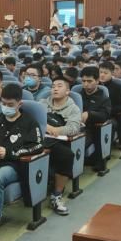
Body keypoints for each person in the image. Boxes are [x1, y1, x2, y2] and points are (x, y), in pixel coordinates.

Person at [0, 84, 44, 241]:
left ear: (20, 104)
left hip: (15, 165)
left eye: (10, 104)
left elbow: (37, 146)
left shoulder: (29, 122)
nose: (6, 107)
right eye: (3, 103)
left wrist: (9, 153)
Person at [41, 77, 82, 216]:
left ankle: (57, 195)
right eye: (53, 86)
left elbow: (74, 128)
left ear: (67, 91)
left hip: (58, 141)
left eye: (59, 86)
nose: (55, 89)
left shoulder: (73, 108)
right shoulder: (41, 104)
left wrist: (55, 130)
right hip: (40, 137)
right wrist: (47, 127)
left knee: (66, 155)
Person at [79, 66, 111, 176]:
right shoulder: (78, 95)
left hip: (91, 129)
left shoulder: (103, 97)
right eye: (83, 81)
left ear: (97, 81)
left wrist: (89, 114)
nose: (86, 84)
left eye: (89, 81)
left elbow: (105, 115)